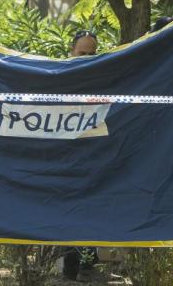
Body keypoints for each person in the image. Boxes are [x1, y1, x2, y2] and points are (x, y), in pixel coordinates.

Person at [61, 30, 99, 280]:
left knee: (90, 206)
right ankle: (69, 264)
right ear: (71, 51)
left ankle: (87, 263)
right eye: (81, 53)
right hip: (61, 156)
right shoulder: (56, 75)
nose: (86, 58)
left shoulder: (103, 76)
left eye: (91, 54)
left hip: (93, 155)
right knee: (65, 209)